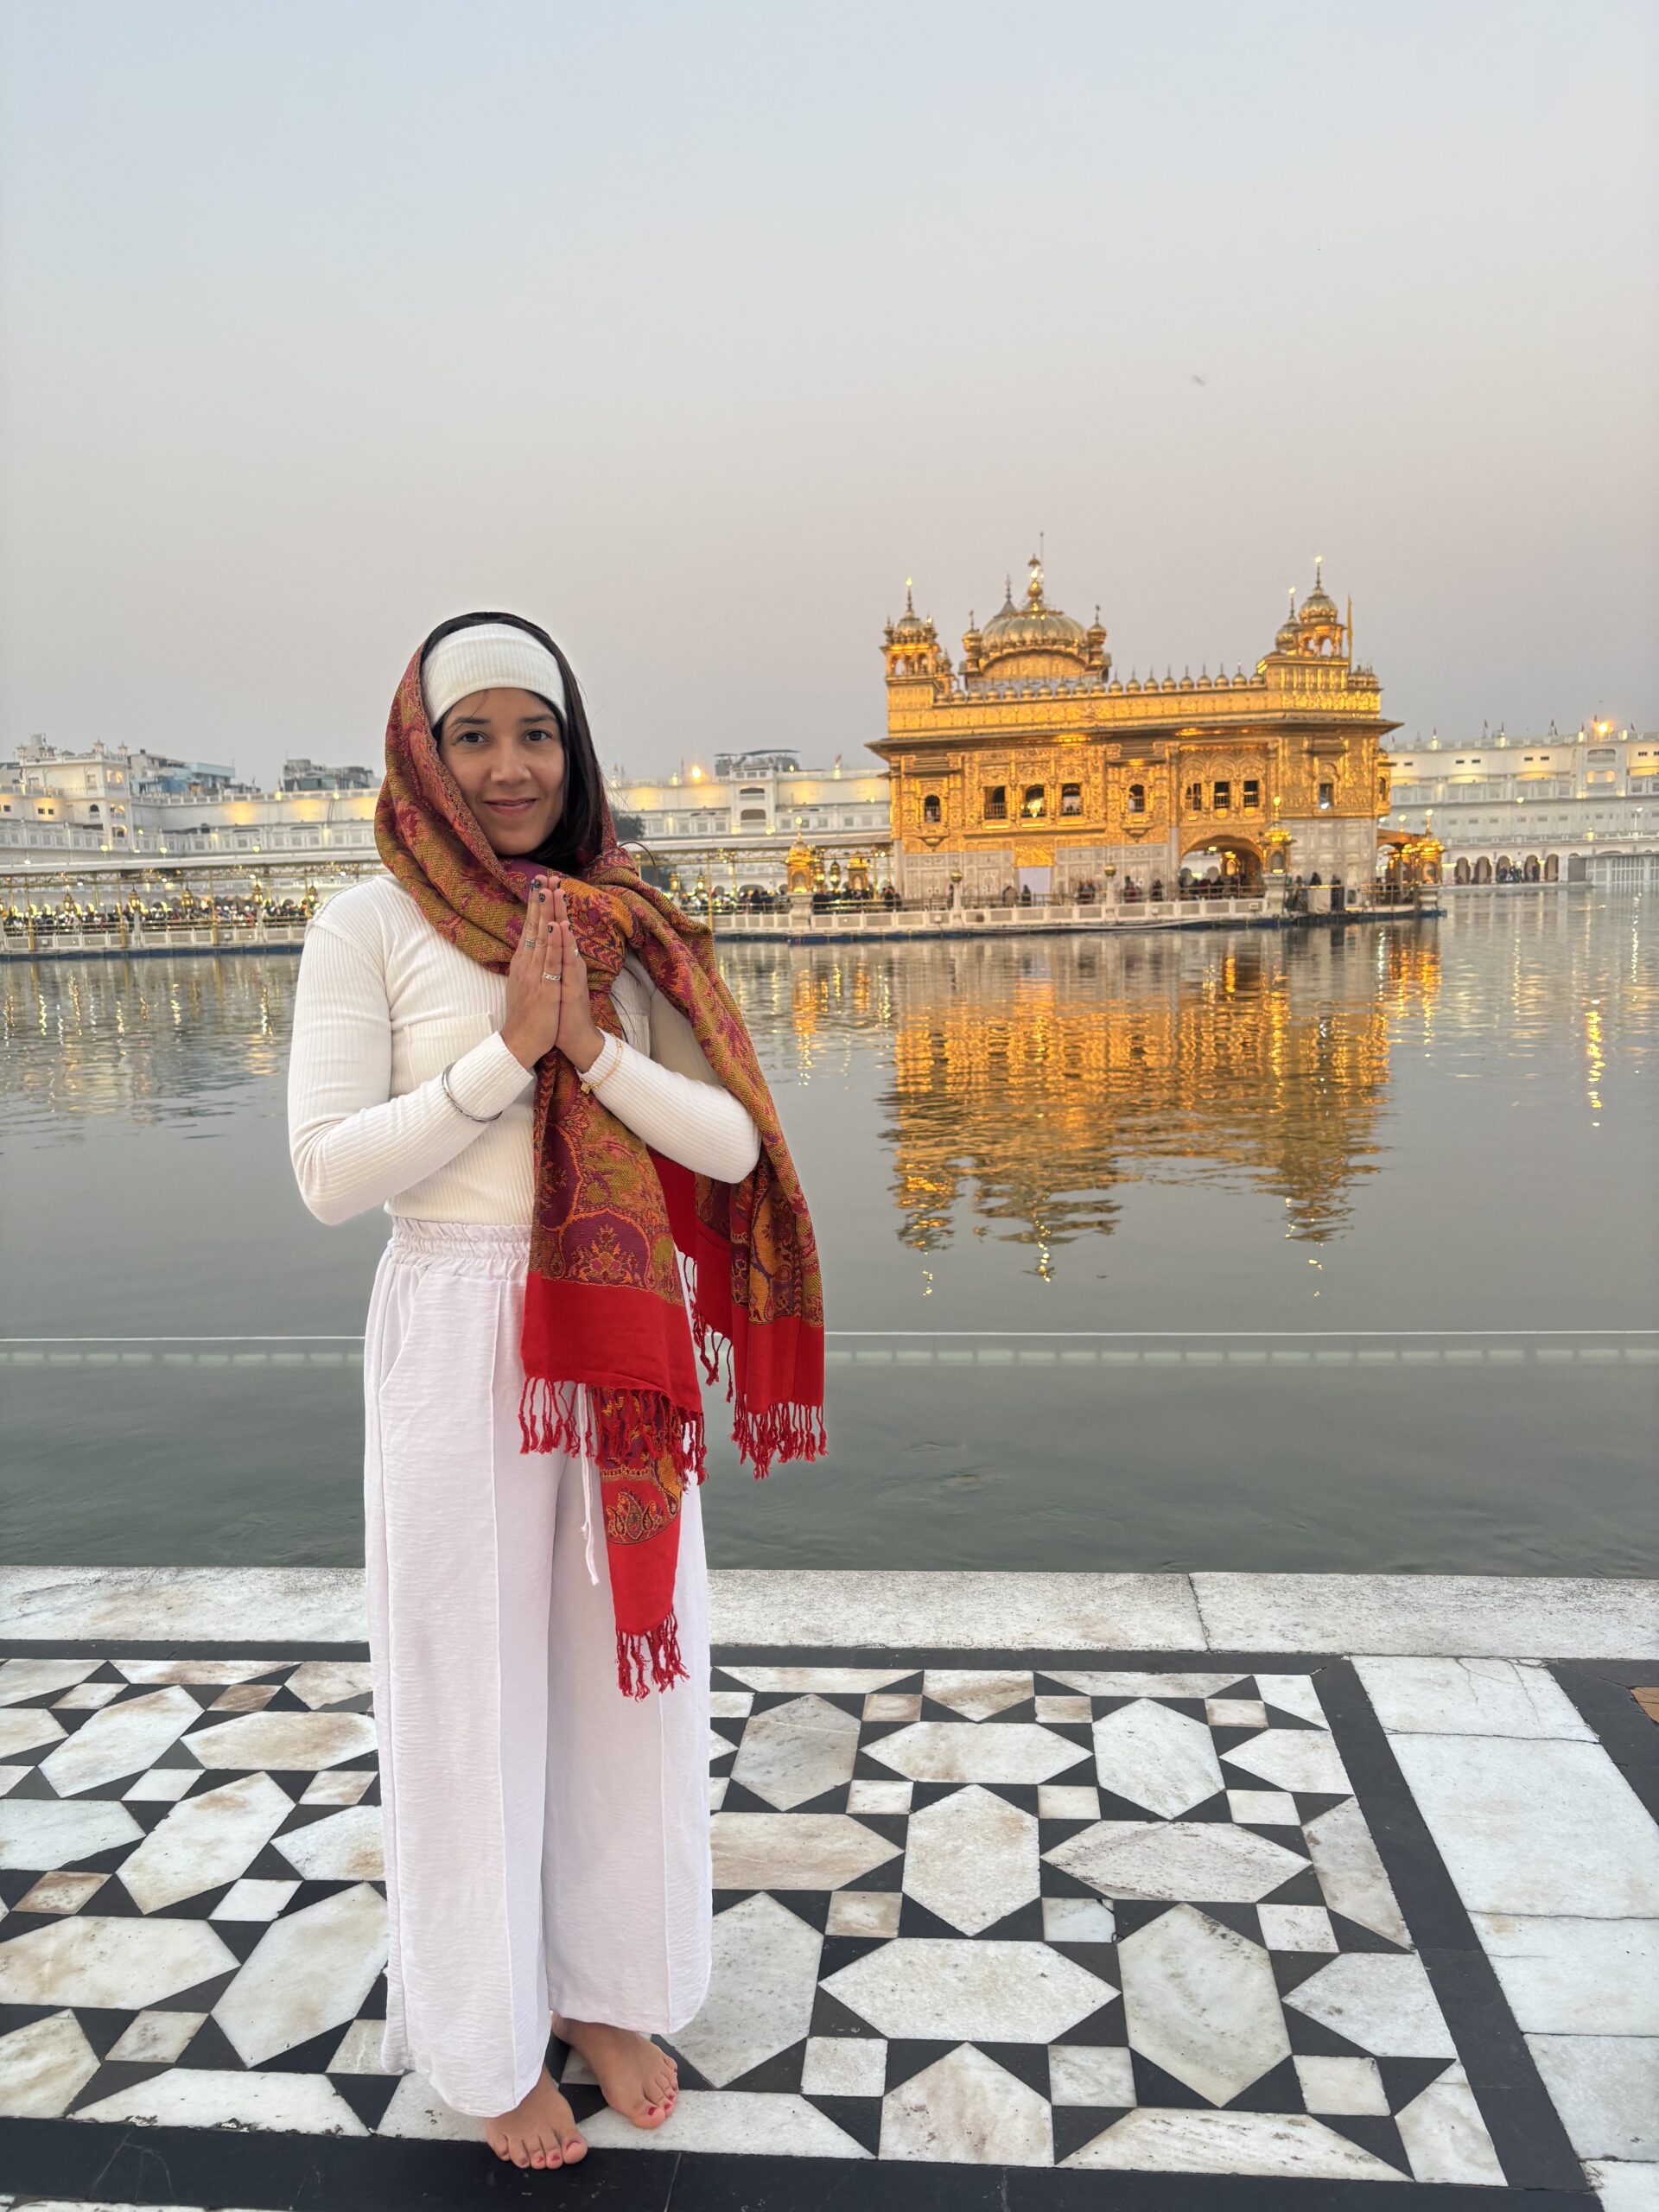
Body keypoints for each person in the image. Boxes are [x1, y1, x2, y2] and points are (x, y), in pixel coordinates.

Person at [286, 614, 824, 2174]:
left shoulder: (625, 925)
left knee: (622, 1684)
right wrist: (492, 1061)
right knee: (469, 1695)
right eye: (475, 736)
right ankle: (480, 2033)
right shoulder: (365, 925)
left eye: (539, 734)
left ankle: (605, 1986)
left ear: (575, 749)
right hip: (462, 1332)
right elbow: (327, 1176)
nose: (512, 767)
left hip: (616, 1343)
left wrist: (582, 1048)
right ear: (423, 754)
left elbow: (727, 1149)